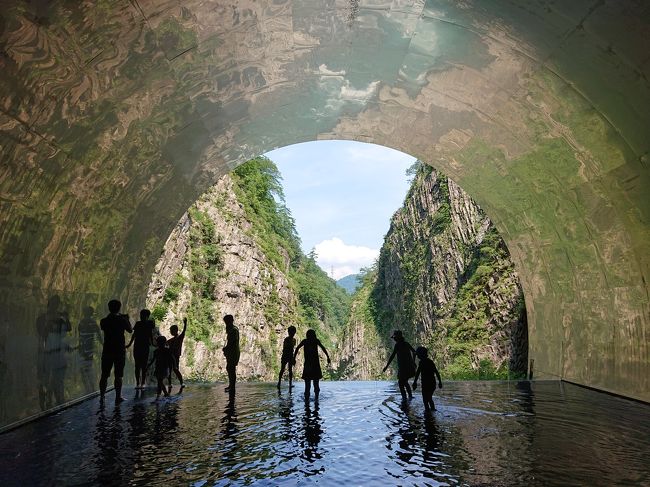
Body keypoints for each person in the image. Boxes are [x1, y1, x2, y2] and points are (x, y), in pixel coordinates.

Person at [99, 299, 133, 405]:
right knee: (118, 375)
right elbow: (130, 330)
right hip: (119, 350)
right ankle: (118, 397)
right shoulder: (122, 320)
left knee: (104, 374)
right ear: (119, 308)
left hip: (107, 350)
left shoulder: (103, 321)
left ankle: (102, 396)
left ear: (109, 308)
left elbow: (104, 327)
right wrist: (126, 318)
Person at [293, 329, 331, 400]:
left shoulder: (305, 341)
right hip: (315, 365)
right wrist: (328, 357)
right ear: (314, 335)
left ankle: (307, 402)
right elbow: (323, 348)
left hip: (308, 365)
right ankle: (316, 400)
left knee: (307, 386)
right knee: (316, 385)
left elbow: (297, 348)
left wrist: (294, 358)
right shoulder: (316, 341)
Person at [382, 330, 416, 401]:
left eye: (394, 337)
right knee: (405, 382)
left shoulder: (397, 345)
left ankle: (404, 398)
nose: (394, 339)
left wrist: (386, 366)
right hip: (409, 367)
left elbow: (392, 356)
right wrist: (413, 361)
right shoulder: (406, 343)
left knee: (401, 383)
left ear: (397, 337)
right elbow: (414, 352)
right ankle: (410, 397)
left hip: (403, 368)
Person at [125, 309, 155, 389]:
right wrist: (129, 344)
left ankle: (142, 383)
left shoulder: (148, 324)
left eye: (143, 315)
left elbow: (150, 334)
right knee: (138, 366)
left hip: (143, 346)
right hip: (139, 346)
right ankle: (138, 383)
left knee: (143, 365)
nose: (141, 317)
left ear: (147, 316)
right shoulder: (140, 324)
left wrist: (152, 343)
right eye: (141, 315)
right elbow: (134, 335)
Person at [412, 346, 443, 412]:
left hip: (427, 384)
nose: (417, 356)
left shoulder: (423, 363)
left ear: (421, 354)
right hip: (431, 383)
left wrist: (415, 382)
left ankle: (429, 412)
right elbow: (436, 372)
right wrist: (440, 382)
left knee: (426, 399)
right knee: (428, 398)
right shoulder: (430, 362)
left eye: (418, 354)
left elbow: (417, 373)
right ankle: (431, 411)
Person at [147, 335, 175, 400]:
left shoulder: (159, 351)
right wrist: (174, 365)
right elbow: (172, 358)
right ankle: (159, 394)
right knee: (160, 382)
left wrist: (149, 365)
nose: (160, 344)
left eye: (160, 343)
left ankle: (164, 393)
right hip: (161, 368)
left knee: (159, 381)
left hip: (162, 368)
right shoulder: (165, 350)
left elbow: (153, 360)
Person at [167, 317, 187, 391]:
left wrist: (185, 324)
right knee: (170, 369)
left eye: (172, 330)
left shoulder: (179, 338)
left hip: (176, 356)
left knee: (175, 369)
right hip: (170, 356)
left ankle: (181, 382)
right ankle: (170, 383)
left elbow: (184, 332)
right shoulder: (170, 340)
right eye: (170, 331)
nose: (171, 332)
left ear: (176, 330)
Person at [222, 315, 240, 392]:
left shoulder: (233, 330)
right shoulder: (233, 329)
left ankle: (232, 386)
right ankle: (231, 386)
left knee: (231, 369)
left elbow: (232, 342)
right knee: (230, 368)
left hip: (233, 352)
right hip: (232, 352)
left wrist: (226, 348)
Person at [277, 325, 297, 390]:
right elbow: (286, 347)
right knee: (282, 369)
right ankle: (279, 382)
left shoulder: (294, 340)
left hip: (290, 355)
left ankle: (290, 383)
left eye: (293, 332)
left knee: (290, 370)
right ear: (289, 332)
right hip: (285, 355)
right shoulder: (287, 339)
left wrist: (293, 358)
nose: (292, 333)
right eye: (291, 332)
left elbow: (292, 348)